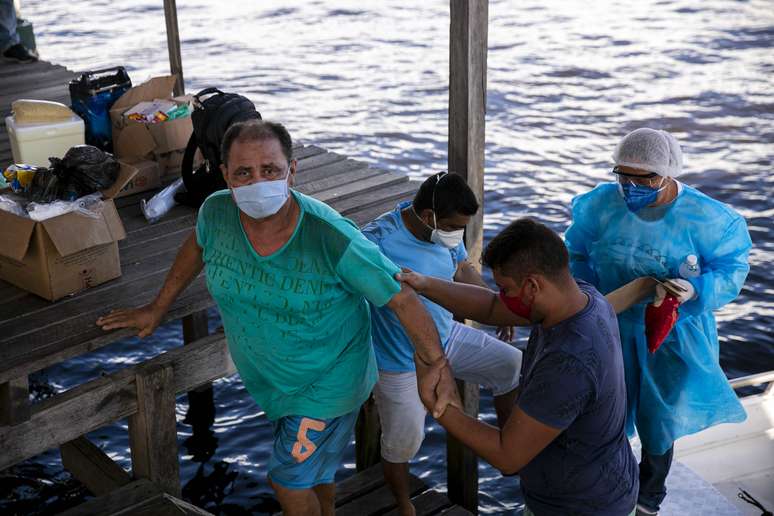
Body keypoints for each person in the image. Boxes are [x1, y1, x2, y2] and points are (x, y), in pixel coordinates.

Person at [96, 120, 458, 516]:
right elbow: (196, 247)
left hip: (328, 383)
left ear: (292, 170)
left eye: (269, 170)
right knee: (315, 476)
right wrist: (157, 307)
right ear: (226, 176)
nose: (257, 182)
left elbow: (402, 298)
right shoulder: (217, 211)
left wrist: (433, 364)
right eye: (244, 173)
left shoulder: (329, 235)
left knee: (286, 481)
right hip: (274, 381)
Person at [565, 127, 752, 515]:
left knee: (657, 419)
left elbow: (732, 267)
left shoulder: (709, 219)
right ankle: (606, 483)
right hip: (610, 322)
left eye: (644, 177)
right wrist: (586, 296)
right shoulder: (600, 205)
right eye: (624, 175)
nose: (631, 186)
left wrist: (696, 289)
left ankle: (648, 497)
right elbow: (575, 254)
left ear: (668, 173)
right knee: (603, 408)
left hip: (672, 334)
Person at [400, 218, 639, 516]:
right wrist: (424, 284)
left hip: (581, 507)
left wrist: (440, 406)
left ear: (532, 286)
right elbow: (489, 307)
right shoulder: (580, 297)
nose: (502, 297)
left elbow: (507, 455)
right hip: (600, 481)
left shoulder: (568, 363)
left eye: (505, 289)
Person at [362, 172, 522, 516]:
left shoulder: (446, 230)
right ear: (427, 217)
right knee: (404, 443)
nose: (457, 234)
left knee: (512, 363)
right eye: (452, 227)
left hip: (448, 338)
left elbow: (462, 269)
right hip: (399, 360)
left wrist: (498, 307)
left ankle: (512, 444)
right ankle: (404, 504)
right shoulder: (378, 240)